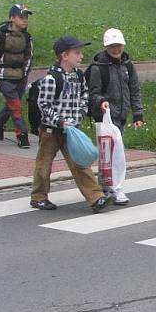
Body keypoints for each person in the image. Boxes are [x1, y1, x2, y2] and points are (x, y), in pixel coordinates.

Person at [30, 36, 110, 213]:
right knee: (44, 164)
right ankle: (38, 197)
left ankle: (96, 198)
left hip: (71, 130)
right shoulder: (52, 79)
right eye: (77, 53)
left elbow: (84, 96)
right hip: (51, 131)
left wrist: (80, 114)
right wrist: (59, 121)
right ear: (64, 56)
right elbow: (43, 104)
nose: (81, 56)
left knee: (80, 163)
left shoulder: (79, 76)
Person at [88, 27, 145, 205]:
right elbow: (93, 92)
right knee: (108, 154)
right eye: (112, 46)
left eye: (118, 45)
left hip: (120, 115)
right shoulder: (99, 68)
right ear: (106, 47)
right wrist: (101, 101)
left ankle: (111, 186)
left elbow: (134, 89)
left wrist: (138, 114)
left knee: (115, 153)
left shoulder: (128, 65)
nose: (116, 49)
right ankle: (111, 188)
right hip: (104, 117)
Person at [0, 4, 34, 148]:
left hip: (20, 76)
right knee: (16, 105)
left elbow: (29, 56)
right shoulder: (1, 35)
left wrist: (25, 73)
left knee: (12, 104)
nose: (25, 20)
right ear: (12, 18)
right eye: (21, 17)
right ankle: (22, 135)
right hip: (3, 75)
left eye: (26, 17)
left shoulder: (27, 37)